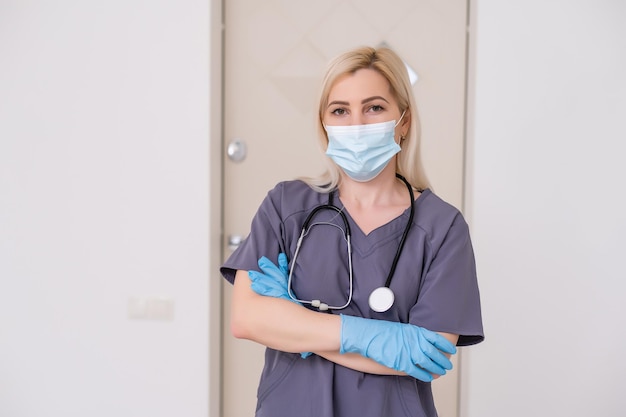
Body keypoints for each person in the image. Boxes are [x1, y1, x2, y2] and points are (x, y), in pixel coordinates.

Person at [220, 46, 484, 417]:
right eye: (340, 110)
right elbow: (247, 319)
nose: (356, 124)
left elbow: (430, 353)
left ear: (403, 121)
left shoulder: (442, 227)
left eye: (374, 107)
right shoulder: (285, 206)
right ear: (324, 124)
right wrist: (379, 338)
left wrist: (296, 322)